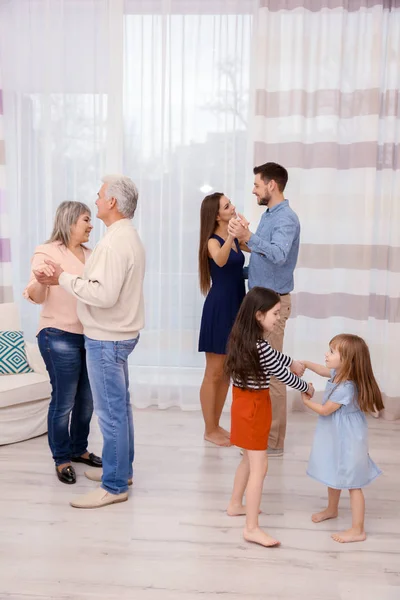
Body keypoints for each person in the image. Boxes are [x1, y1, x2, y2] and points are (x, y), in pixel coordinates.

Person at [34, 175, 145, 509]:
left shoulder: (112, 243)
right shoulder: (125, 237)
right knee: (120, 409)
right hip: (119, 336)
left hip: (107, 339)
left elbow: (103, 294)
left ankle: (113, 487)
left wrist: (62, 278)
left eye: (99, 196)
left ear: (111, 202)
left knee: (111, 415)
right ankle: (121, 471)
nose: (96, 201)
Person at [225, 287, 313, 547]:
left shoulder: (244, 341)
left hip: (242, 406)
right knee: (260, 467)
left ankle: (234, 504)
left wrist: (291, 360)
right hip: (255, 409)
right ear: (259, 316)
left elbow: (273, 358)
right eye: (275, 313)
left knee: (248, 461)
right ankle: (251, 527)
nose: (278, 317)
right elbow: (280, 374)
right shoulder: (260, 348)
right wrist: (305, 385)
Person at [23, 201, 101, 485]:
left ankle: (79, 449)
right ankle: (62, 458)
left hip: (90, 335)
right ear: (69, 222)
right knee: (65, 400)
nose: (91, 225)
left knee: (87, 401)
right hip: (57, 334)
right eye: (85, 220)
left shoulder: (92, 254)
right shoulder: (47, 251)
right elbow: (36, 295)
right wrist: (43, 281)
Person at [228, 162, 300, 457]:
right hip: (260, 303)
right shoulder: (271, 215)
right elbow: (264, 254)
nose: (254, 190)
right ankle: (261, 436)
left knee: (273, 372)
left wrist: (248, 237)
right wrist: (245, 237)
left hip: (273, 306)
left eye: (257, 184)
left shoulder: (287, 219)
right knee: (259, 369)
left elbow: (280, 255)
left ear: (272, 185)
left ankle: (272, 442)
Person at [301, 334, 384, 543]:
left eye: (331, 352)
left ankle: (358, 529)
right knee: (334, 470)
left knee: (353, 483)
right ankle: (332, 509)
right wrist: (305, 364)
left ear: (346, 360)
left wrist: (305, 400)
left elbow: (325, 410)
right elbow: (322, 370)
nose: (326, 354)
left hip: (348, 439)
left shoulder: (347, 386)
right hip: (337, 435)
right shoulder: (339, 374)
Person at [198, 192, 247, 446]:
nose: (233, 207)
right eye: (228, 206)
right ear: (217, 215)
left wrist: (245, 232)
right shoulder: (212, 241)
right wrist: (231, 235)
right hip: (219, 309)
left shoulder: (235, 238)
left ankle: (216, 425)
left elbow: (254, 250)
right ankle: (209, 428)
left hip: (237, 307)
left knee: (227, 372)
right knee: (214, 372)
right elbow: (220, 259)